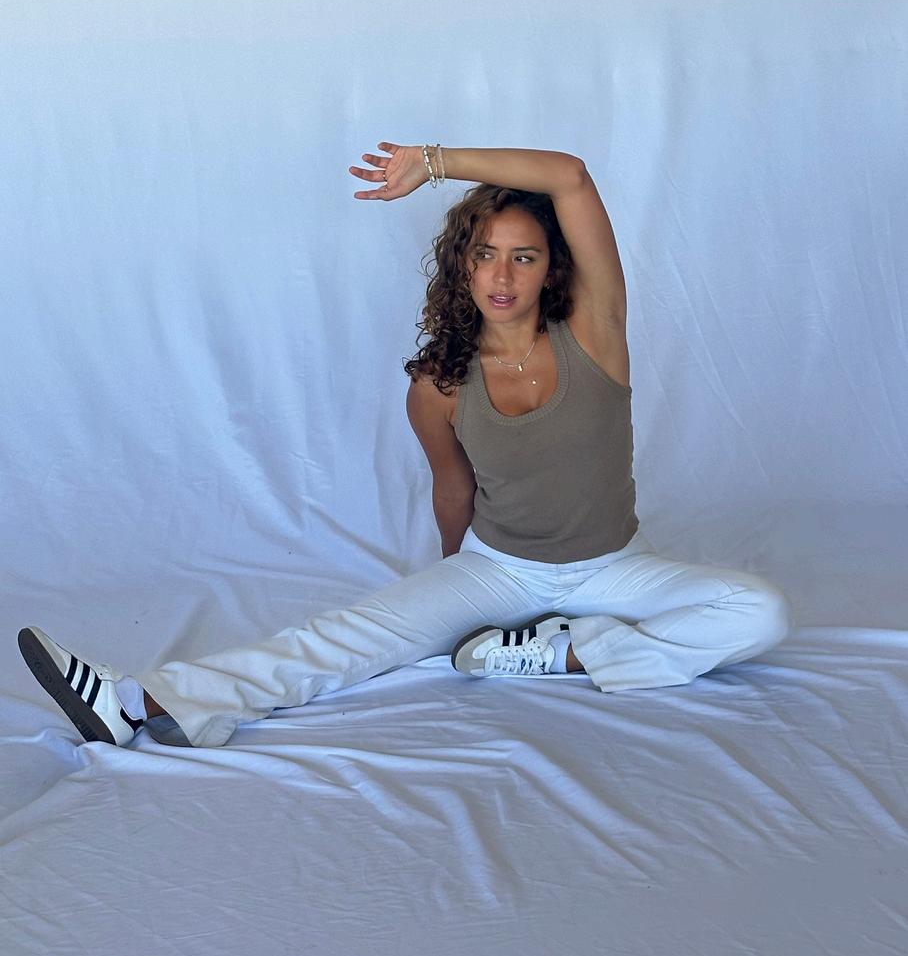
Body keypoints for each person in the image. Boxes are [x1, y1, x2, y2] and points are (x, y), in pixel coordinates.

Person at [17, 143, 793, 749]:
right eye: (485, 254)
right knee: (341, 638)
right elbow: (453, 489)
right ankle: (134, 702)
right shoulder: (439, 384)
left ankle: (561, 653)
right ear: (463, 266)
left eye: (523, 256)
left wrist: (432, 162)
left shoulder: (598, 331)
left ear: (551, 267)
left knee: (758, 612)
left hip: (615, 565)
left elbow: (571, 176)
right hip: (501, 569)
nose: (502, 274)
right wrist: (456, 589)